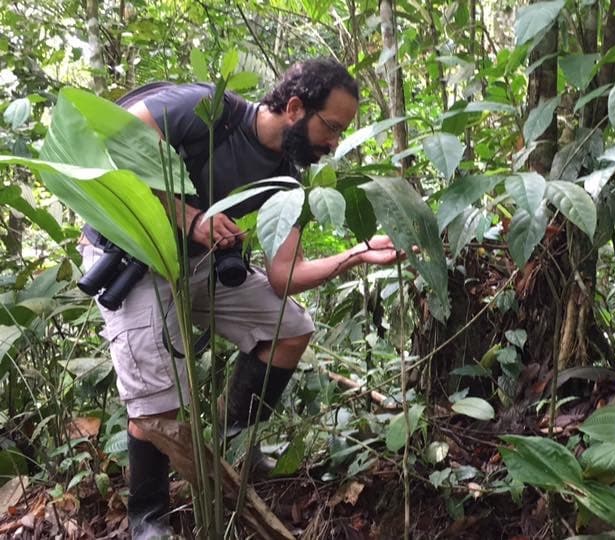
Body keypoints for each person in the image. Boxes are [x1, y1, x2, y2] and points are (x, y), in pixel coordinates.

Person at [78, 58, 402, 539]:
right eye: (331, 128)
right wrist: (187, 216)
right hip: (132, 255)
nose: (334, 144)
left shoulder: (286, 177)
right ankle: (148, 519)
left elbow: (284, 275)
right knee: (156, 407)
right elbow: (118, 140)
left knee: (290, 331)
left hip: (196, 262)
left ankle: (235, 442)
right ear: (295, 107)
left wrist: (356, 255)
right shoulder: (207, 111)